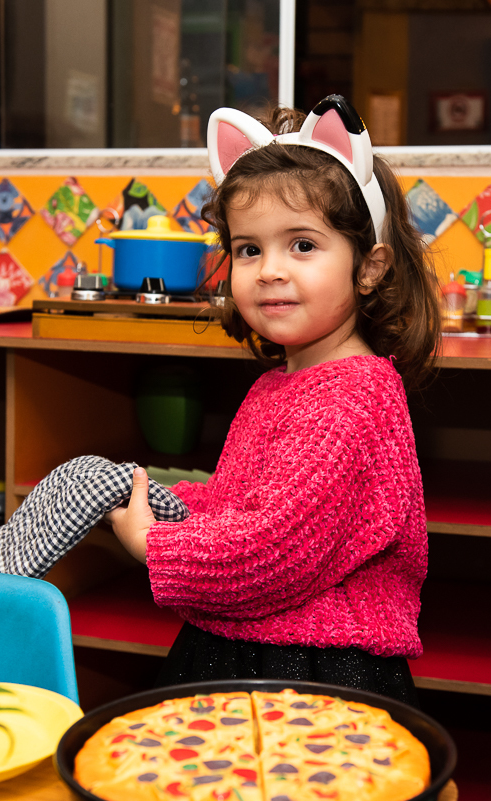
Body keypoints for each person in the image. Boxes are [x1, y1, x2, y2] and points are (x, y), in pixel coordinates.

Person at [106, 95, 441, 706]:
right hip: (252, 642)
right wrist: (178, 504)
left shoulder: (352, 397)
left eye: (303, 245)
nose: (269, 270)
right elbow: (249, 503)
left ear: (369, 268)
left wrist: (151, 542)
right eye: (249, 249)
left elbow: (274, 550)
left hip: (315, 671)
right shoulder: (280, 383)